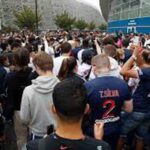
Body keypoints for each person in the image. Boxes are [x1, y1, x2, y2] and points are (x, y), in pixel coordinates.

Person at [26, 79, 110, 150]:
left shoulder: (34, 147)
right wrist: (98, 140)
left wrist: (46, 142)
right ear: (86, 109)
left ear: (53, 109)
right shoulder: (102, 147)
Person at [84, 54, 133, 150]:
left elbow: (85, 111)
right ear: (110, 67)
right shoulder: (122, 84)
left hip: (95, 127)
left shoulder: (87, 86)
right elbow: (129, 109)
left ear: (93, 67)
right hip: (114, 126)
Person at [20, 52, 60, 141]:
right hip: (58, 133)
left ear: (37, 67)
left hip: (37, 133)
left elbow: (24, 118)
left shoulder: (28, 90)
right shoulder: (62, 86)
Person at [118, 46, 150, 150]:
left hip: (138, 109)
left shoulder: (145, 72)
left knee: (121, 133)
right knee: (140, 137)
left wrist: (133, 56)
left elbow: (123, 71)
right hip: (148, 110)